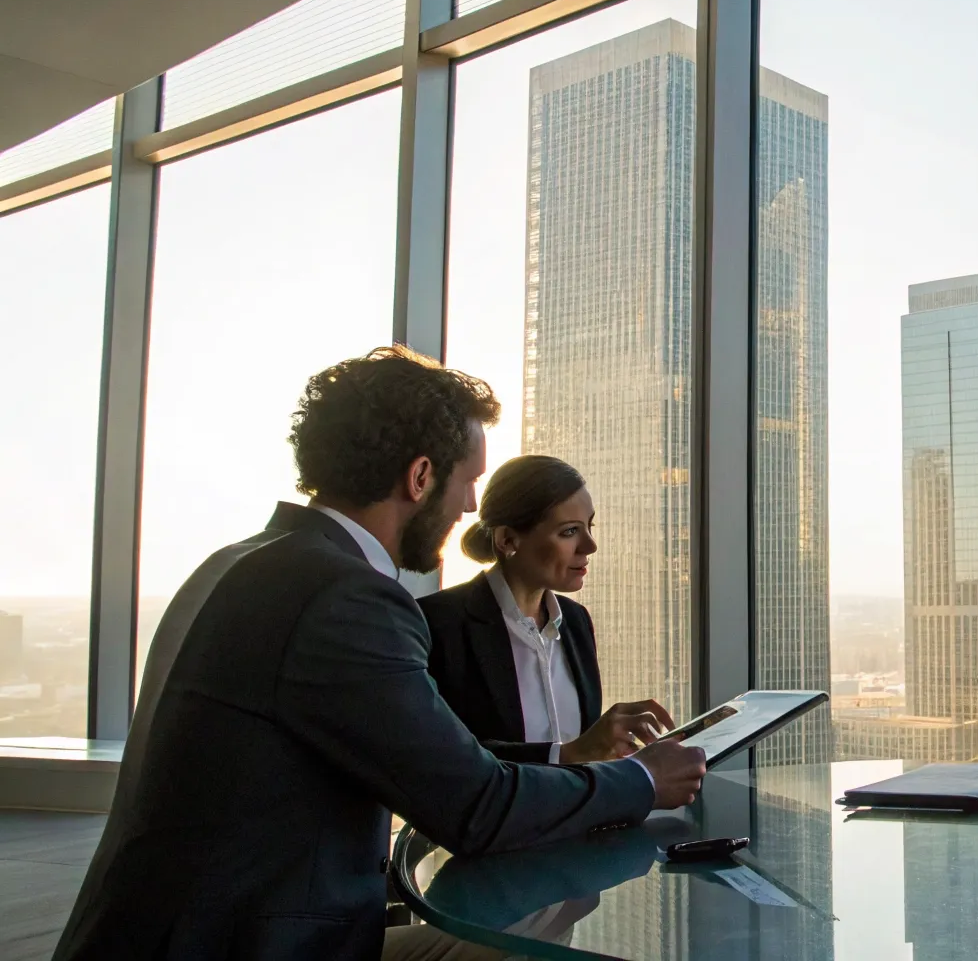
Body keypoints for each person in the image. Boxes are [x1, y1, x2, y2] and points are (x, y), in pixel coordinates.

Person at [55, 347, 708, 961]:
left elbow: (428, 755)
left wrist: (565, 755)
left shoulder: (241, 562)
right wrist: (644, 779)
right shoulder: (345, 597)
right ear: (421, 475)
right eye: (468, 481)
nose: (472, 506)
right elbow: (474, 810)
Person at [421, 454, 668, 764]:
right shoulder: (436, 623)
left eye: (589, 526)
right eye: (569, 531)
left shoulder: (577, 622)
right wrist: (569, 753)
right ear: (507, 539)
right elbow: (439, 759)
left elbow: (583, 758)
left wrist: (614, 752)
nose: (590, 546)